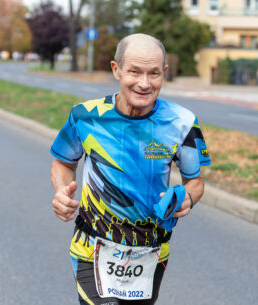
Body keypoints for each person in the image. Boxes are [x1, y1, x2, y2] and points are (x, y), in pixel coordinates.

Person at [50, 33, 211, 305]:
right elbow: (63, 161)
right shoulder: (85, 116)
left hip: (150, 252)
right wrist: (63, 191)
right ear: (116, 69)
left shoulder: (183, 122)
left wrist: (188, 197)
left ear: (165, 73)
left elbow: (195, 181)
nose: (144, 83)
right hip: (93, 245)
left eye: (154, 74)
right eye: (134, 72)